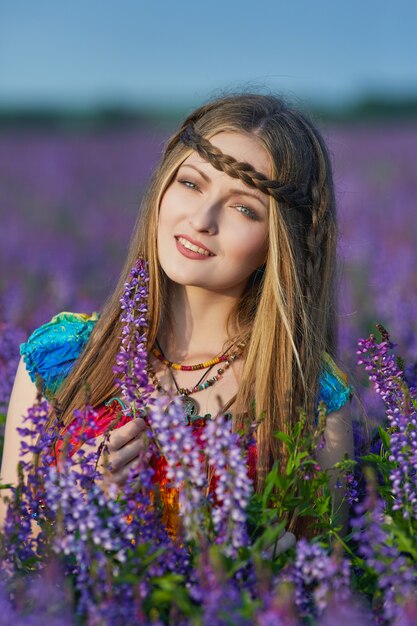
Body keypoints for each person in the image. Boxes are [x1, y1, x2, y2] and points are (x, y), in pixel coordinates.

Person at [1, 92, 354, 549]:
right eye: (191, 183)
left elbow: (329, 591)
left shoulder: (309, 397)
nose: (202, 220)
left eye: (244, 208)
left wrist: (264, 563)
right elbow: (11, 560)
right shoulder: (63, 359)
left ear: (280, 243)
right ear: (162, 187)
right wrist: (85, 505)